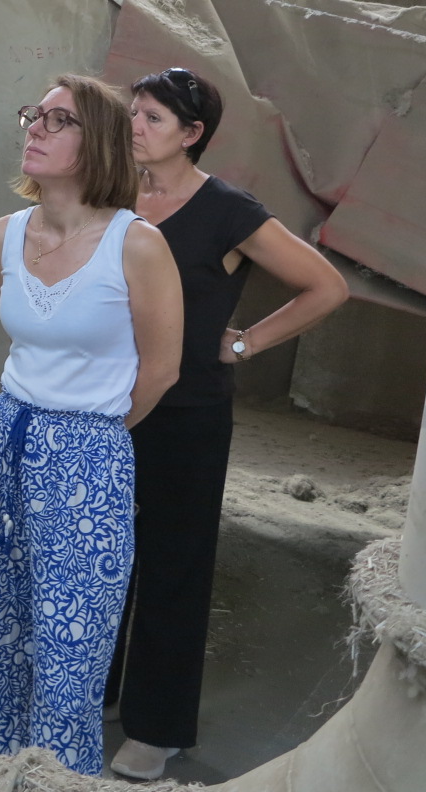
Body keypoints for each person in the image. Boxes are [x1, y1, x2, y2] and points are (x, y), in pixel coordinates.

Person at [106, 67, 349, 781]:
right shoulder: (116, 197)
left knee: (174, 566)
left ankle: (158, 728)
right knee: (106, 555)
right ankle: (109, 689)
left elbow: (326, 286)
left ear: (193, 134)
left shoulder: (228, 212)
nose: (135, 127)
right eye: (133, 114)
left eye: (152, 118)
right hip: (110, 404)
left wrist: (245, 342)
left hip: (186, 414)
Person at [0, 74, 182, 777]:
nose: (35, 128)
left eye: (59, 121)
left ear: (100, 145)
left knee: (70, 645)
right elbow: (26, 339)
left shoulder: (137, 244)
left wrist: (92, 432)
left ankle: (58, 779)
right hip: (5, 439)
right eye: (36, 115)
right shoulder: (6, 232)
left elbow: (161, 369)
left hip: (87, 453)